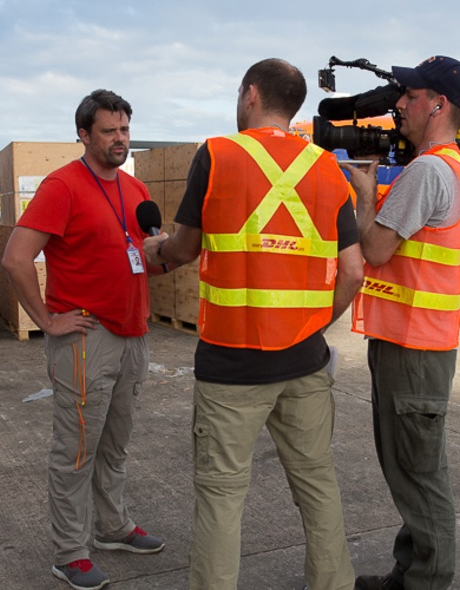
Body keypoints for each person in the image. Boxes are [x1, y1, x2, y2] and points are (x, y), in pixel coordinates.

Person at [142, 58, 364, 590]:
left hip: (231, 364)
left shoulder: (218, 154)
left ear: (249, 95)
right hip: (305, 362)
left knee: (221, 495)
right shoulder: (327, 169)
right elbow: (354, 271)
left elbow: (186, 246)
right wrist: (312, 325)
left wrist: (158, 253)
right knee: (317, 483)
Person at [2, 89, 166, 590]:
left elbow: (148, 253)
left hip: (133, 332)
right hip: (86, 336)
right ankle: (70, 551)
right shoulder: (62, 186)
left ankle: (112, 527)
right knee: (76, 450)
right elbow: (15, 257)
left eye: (125, 130)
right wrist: (49, 322)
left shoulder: (136, 191)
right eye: (109, 131)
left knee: (115, 443)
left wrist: (173, 250)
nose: (120, 140)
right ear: (84, 135)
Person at [339, 56, 460, 590]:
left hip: (416, 348)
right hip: (415, 342)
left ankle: (427, 580)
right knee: (408, 467)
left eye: (410, 95)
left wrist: (366, 193)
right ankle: (411, 570)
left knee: (419, 473)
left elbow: (374, 250)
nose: (399, 104)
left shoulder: (428, 171)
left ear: (438, 105)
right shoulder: (447, 165)